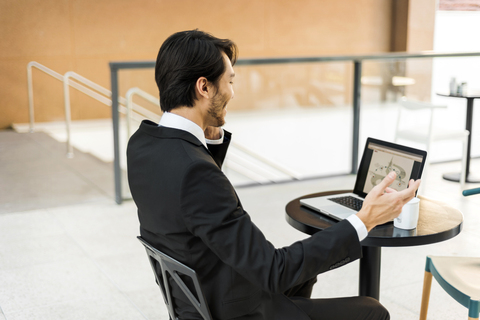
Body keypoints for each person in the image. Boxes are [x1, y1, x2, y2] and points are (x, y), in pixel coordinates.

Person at [127, 29, 421, 320]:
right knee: (372, 311)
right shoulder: (196, 173)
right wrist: (365, 218)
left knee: (305, 273)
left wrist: (209, 138)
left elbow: (190, 203)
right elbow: (273, 272)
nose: (232, 92)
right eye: (229, 81)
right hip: (235, 310)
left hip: (200, 298)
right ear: (204, 87)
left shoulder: (143, 145)